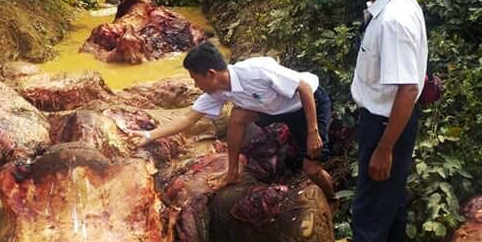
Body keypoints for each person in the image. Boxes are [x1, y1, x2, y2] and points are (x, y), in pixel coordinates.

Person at [330, 0, 428, 242]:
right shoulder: (390, 7)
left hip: (388, 125)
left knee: (369, 205)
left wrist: (384, 148)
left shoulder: (394, 21)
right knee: (391, 194)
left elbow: (406, 90)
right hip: (388, 121)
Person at [130, 42, 338, 202]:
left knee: (312, 169)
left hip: (306, 103)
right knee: (237, 117)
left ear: (211, 74)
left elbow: (303, 87)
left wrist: (313, 131)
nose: (195, 84)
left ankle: (332, 199)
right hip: (272, 108)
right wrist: (148, 135)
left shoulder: (256, 71)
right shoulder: (216, 91)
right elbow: (188, 119)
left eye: (195, 79)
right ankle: (232, 173)